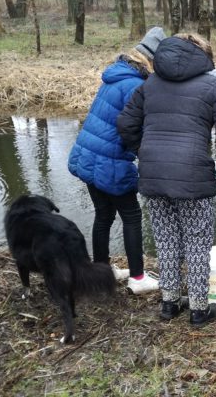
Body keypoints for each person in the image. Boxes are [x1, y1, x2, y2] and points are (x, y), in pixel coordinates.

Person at [117, 33, 216, 327]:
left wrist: (144, 152)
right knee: (197, 241)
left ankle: (169, 303)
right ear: (203, 56)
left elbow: (125, 123)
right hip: (192, 175)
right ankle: (198, 309)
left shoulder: (150, 84)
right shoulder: (213, 85)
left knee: (166, 238)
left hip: (153, 174)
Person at [68, 26, 166, 295]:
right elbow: (132, 127)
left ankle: (101, 272)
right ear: (153, 60)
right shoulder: (136, 85)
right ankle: (137, 277)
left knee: (103, 215)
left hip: (88, 155)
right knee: (132, 216)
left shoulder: (116, 75)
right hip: (108, 162)